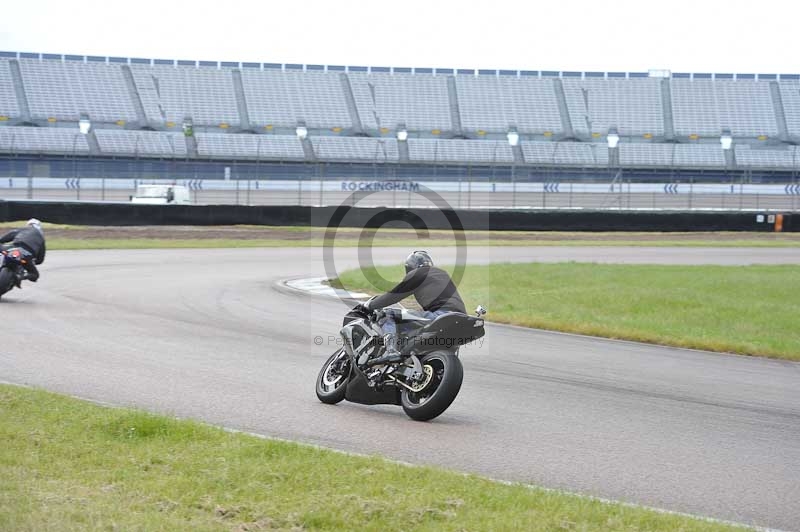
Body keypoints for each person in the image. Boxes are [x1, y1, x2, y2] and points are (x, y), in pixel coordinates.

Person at [357, 250, 466, 364]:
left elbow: (394, 296)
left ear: (410, 267)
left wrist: (368, 305)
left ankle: (391, 351)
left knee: (387, 314)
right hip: (460, 317)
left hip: (441, 315)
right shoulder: (442, 274)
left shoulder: (419, 273)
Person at [0, 218, 46, 287]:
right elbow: (40, 259)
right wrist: (34, 262)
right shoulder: (42, 239)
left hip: (13, 248)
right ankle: (20, 277)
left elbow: (6, 237)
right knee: (35, 275)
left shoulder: (24, 229)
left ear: (29, 224)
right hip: (26, 257)